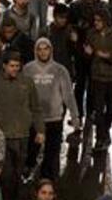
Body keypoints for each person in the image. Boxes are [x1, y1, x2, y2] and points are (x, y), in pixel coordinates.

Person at [0, 51, 44, 200]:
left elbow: (36, 108)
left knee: (18, 175)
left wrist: (40, 130)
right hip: (0, 138)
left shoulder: (27, 83)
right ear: (4, 65)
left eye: (18, 66)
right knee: (4, 175)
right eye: (12, 66)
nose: (15, 69)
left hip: (22, 136)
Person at [23, 38, 80, 180]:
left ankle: (47, 180)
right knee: (32, 148)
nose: (43, 52)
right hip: (34, 119)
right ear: (35, 51)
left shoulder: (60, 70)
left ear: (51, 50)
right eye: (40, 49)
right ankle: (29, 170)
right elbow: (22, 93)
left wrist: (75, 116)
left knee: (52, 152)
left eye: (46, 48)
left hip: (54, 117)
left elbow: (68, 94)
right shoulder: (28, 69)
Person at [85, 8, 112, 153]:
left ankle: (105, 132)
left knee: (110, 109)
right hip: (97, 78)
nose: (96, 23)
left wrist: (107, 56)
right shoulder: (91, 35)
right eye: (95, 20)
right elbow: (86, 53)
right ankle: (100, 138)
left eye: (98, 20)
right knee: (98, 109)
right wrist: (88, 54)